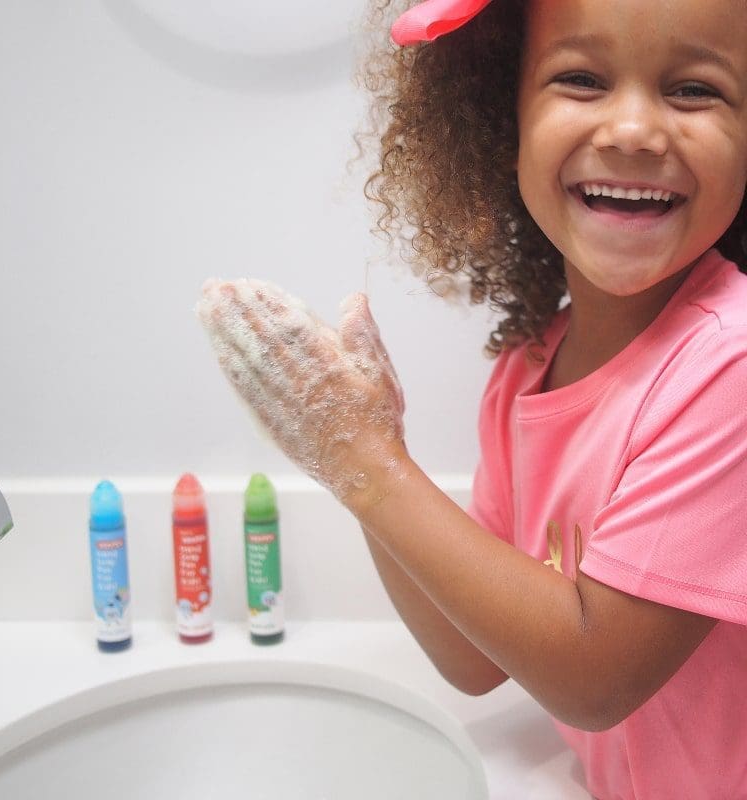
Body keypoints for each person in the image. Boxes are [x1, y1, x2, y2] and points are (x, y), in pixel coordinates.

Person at [196, 0, 747, 797]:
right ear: (502, 119)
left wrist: (366, 463)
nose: (633, 130)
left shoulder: (729, 364)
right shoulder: (527, 371)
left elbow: (593, 678)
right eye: (582, 79)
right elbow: (473, 657)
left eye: (695, 91)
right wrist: (362, 452)